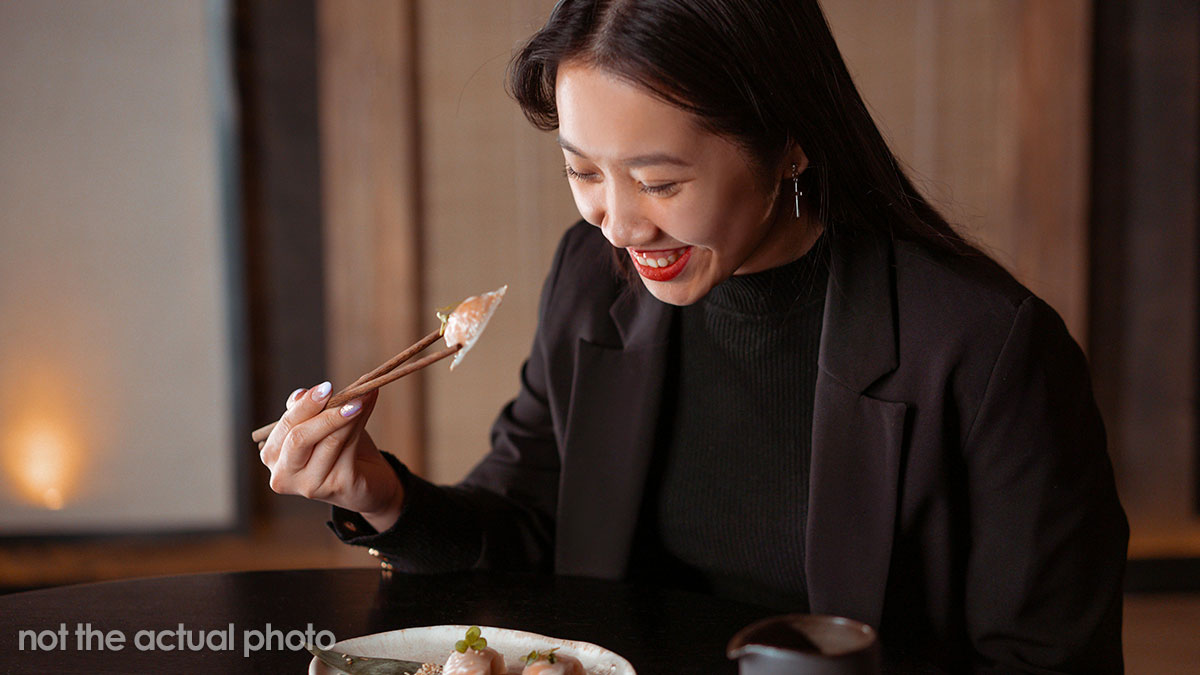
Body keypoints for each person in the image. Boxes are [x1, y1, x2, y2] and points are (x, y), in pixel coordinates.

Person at [258, 1, 1128, 671]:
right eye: (582, 171)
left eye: (660, 182)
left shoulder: (987, 349)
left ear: (788, 145)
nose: (619, 224)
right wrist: (380, 494)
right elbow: (525, 532)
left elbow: (1048, 659)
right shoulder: (592, 280)